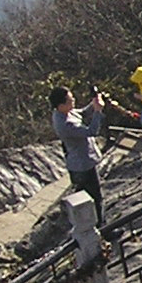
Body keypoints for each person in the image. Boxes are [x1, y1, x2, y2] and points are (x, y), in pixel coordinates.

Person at [50, 84, 107, 223]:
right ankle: (103, 228)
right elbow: (91, 131)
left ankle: (91, 226)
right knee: (95, 198)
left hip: (83, 162)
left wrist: (93, 104)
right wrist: (98, 111)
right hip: (82, 166)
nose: (73, 101)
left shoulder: (65, 112)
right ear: (60, 105)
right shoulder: (65, 124)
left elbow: (81, 113)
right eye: (70, 100)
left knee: (86, 199)